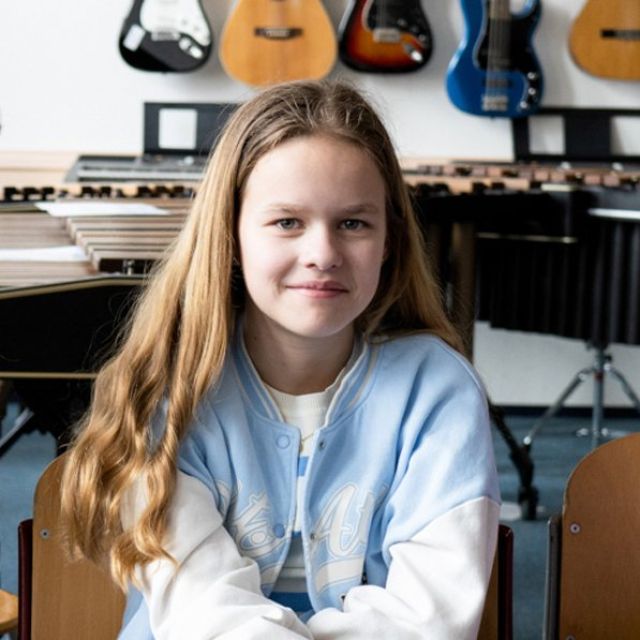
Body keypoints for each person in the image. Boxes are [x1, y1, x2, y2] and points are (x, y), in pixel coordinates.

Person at [60, 79, 500, 639]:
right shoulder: (171, 388)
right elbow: (205, 613)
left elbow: (427, 620)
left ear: (389, 239)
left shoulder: (437, 391)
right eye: (287, 222)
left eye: (353, 223)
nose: (322, 254)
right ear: (231, 235)